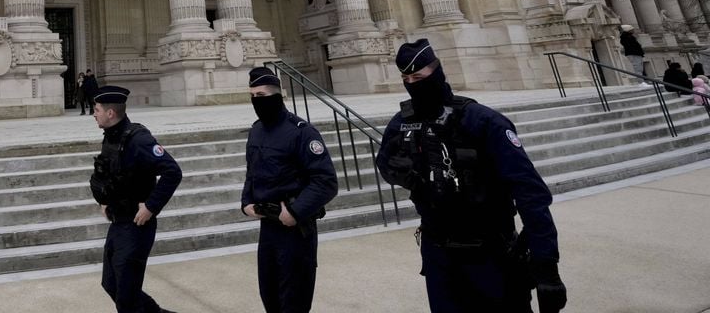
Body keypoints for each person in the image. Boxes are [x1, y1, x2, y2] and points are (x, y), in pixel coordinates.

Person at [377, 39, 567, 313]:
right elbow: (385, 164)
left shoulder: (482, 121)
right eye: (406, 78)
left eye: (418, 76)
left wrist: (546, 266)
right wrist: (400, 173)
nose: (411, 83)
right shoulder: (403, 122)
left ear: (436, 72)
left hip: (491, 252)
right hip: (438, 253)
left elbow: (530, 193)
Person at [241, 66, 338, 313]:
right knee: (270, 296)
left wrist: (294, 212)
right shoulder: (257, 130)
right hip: (268, 226)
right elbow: (252, 172)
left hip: (295, 230)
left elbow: (325, 181)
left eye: (261, 96)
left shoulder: (302, 132)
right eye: (252, 96)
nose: (256, 101)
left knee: (293, 300)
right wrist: (247, 202)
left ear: (277, 95)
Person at [89, 85, 183, 313]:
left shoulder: (139, 140)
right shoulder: (111, 136)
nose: (94, 113)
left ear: (110, 113)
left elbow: (173, 172)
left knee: (126, 296)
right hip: (118, 221)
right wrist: (104, 202)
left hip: (136, 225)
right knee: (111, 283)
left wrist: (151, 207)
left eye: (97, 109)